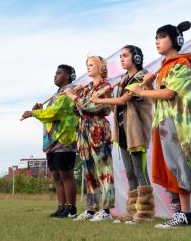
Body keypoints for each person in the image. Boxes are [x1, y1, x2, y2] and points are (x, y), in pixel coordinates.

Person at [129, 21, 191, 228]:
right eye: (156, 37)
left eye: (162, 36)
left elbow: (170, 94)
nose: (157, 41)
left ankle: (185, 214)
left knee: (181, 166)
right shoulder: (165, 67)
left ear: (175, 40)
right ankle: (179, 213)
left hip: (178, 125)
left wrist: (141, 91)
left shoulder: (181, 64)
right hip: (164, 124)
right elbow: (160, 96)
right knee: (169, 169)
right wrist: (150, 85)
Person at [90, 45, 154, 224]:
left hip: (137, 132)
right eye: (120, 56)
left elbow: (124, 100)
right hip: (124, 133)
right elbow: (116, 106)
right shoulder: (124, 79)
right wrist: (109, 96)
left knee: (140, 172)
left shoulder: (141, 76)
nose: (122, 59)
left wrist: (100, 99)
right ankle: (132, 212)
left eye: (125, 56)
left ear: (137, 58)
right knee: (130, 173)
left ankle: (145, 213)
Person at [21, 65, 78, 218]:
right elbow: (48, 118)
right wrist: (39, 111)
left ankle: (71, 209)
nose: (55, 76)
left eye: (59, 73)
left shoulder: (69, 92)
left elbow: (55, 113)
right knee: (56, 176)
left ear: (67, 76)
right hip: (52, 141)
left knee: (66, 175)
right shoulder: (56, 95)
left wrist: (33, 113)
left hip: (64, 139)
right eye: (55, 73)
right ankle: (61, 207)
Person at [64, 56, 115, 222]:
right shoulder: (86, 88)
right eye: (87, 65)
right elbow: (77, 110)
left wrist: (73, 96)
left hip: (98, 128)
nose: (88, 67)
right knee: (88, 170)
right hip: (83, 129)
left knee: (103, 170)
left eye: (91, 65)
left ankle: (106, 210)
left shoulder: (106, 86)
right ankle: (92, 208)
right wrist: (77, 97)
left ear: (100, 67)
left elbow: (91, 106)